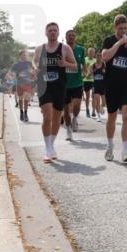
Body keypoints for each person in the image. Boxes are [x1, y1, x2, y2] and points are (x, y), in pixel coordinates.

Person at [32, 23, 78, 163]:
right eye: (50, 30)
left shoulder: (65, 48)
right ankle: (47, 149)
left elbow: (75, 66)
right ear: (46, 33)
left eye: (55, 30)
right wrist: (35, 68)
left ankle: (51, 146)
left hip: (59, 86)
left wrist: (65, 64)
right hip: (44, 86)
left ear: (58, 33)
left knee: (57, 118)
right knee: (47, 116)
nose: (52, 32)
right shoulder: (40, 49)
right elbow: (34, 62)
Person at [100, 14, 127, 162]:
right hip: (111, 84)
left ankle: (125, 150)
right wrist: (119, 43)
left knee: (126, 116)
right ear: (115, 28)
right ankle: (110, 146)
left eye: (125, 28)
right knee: (111, 117)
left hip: (126, 84)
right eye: (120, 28)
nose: (123, 31)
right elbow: (105, 57)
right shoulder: (109, 40)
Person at [62, 30, 87, 140]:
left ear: (75, 37)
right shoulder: (61, 49)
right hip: (64, 84)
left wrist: (85, 71)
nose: (71, 37)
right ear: (66, 37)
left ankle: (75, 118)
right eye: (69, 36)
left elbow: (83, 62)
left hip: (77, 82)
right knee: (66, 110)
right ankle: (68, 130)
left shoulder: (80, 49)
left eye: (73, 35)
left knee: (76, 106)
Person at [90, 50, 106, 121]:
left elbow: (108, 75)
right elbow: (91, 75)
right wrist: (91, 74)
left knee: (104, 102)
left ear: (102, 57)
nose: (99, 57)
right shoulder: (93, 66)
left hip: (103, 85)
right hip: (95, 85)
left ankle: (101, 108)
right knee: (97, 100)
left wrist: (105, 73)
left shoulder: (104, 65)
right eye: (97, 56)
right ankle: (99, 116)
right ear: (95, 57)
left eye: (100, 56)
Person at [82, 47, 96, 118]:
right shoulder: (85, 60)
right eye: (90, 52)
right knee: (87, 96)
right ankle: (87, 109)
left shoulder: (96, 61)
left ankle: (93, 111)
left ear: (94, 53)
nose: (91, 54)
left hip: (94, 81)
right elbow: (82, 70)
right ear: (88, 53)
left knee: (94, 96)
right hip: (86, 80)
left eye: (93, 52)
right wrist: (86, 75)